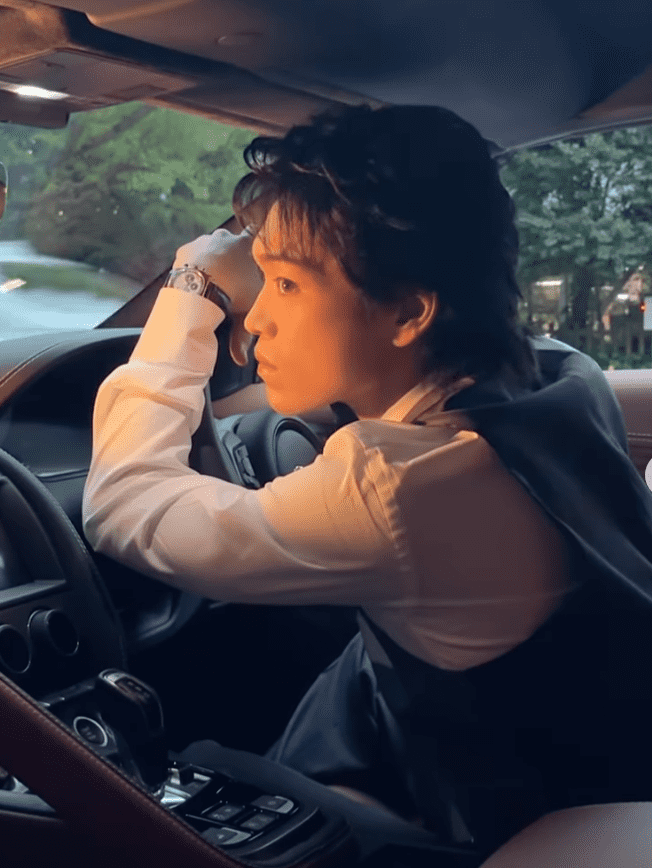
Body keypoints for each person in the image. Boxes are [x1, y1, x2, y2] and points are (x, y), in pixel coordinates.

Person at [82, 104, 652, 860]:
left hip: (491, 815)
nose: (256, 322)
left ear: (410, 312)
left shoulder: (396, 486)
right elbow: (358, 392)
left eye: (288, 285)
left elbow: (124, 507)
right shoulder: (560, 377)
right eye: (264, 279)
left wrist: (192, 287)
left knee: (196, 777)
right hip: (574, 750)